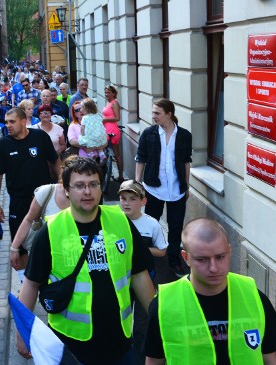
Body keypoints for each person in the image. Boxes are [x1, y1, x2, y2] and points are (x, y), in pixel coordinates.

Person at [15, 157, 155, 365]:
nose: (87, 192)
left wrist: (158, 321)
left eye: (93, 185)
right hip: (70, 346)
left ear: (101, 189)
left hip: (119, 342)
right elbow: (31, 283)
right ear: (67, 191)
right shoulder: (51, 231)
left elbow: (139, 275)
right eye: (79, 186)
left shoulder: (121, 222)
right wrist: (22, 335)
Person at [144, 218, 276, 365]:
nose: (214, 268)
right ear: (186, 258)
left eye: (220, 257)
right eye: (202, 259)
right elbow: (154, 361)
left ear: (229, 251)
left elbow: (269, 358)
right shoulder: (164, 304)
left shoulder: (253, 296)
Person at [0, 108, 60, 280]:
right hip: (18, 201)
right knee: (20, 244)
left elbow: (55, 161)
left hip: (44, 200)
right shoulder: (3, 145)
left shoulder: (40, 137)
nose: (8, 125)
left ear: (23, 121)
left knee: (50, 238)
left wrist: (62, 183)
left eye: (12, 121)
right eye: (6, 122)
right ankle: (24, 281)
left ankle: (51, 275)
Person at [135, 98, 192, 277]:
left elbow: (186, 161)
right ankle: (150, 259)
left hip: (177, 190)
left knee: (176, 227)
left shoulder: (184, 135)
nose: (153, 116)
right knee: (152, 224)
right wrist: (137, 183)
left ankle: (174, 261)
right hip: (153, 188)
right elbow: (141, 158)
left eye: (157, 113)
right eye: (153, 112)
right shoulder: (148, 133)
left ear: (169, 114)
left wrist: (187, 185)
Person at [118, 179, 169, 364]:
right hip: (120, 281)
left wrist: (139, 250)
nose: (126, 203)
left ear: (143, 201)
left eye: (132, 199)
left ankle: (140, 359)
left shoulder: (151, 224)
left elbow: (162, 250)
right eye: (123, 198)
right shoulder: (113, 222)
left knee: (142, 322)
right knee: (118, 320)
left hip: (145, 280)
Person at [9, 156, 76, 273]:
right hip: (48, 257)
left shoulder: (86, 198)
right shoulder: (47, 192)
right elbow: (29, 220)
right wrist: (14, 248)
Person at [103, 85, 124, 181]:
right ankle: (106, 171)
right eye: (106, 92)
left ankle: (120, 176)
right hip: (106, 129)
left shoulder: (114, 103)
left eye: (109, 92)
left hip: (112, 130)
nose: (107, 94)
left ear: (114, 93)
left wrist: (104, 119)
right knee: (106, 152)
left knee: (116, 153)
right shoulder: (108, 103)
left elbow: (117, 118)